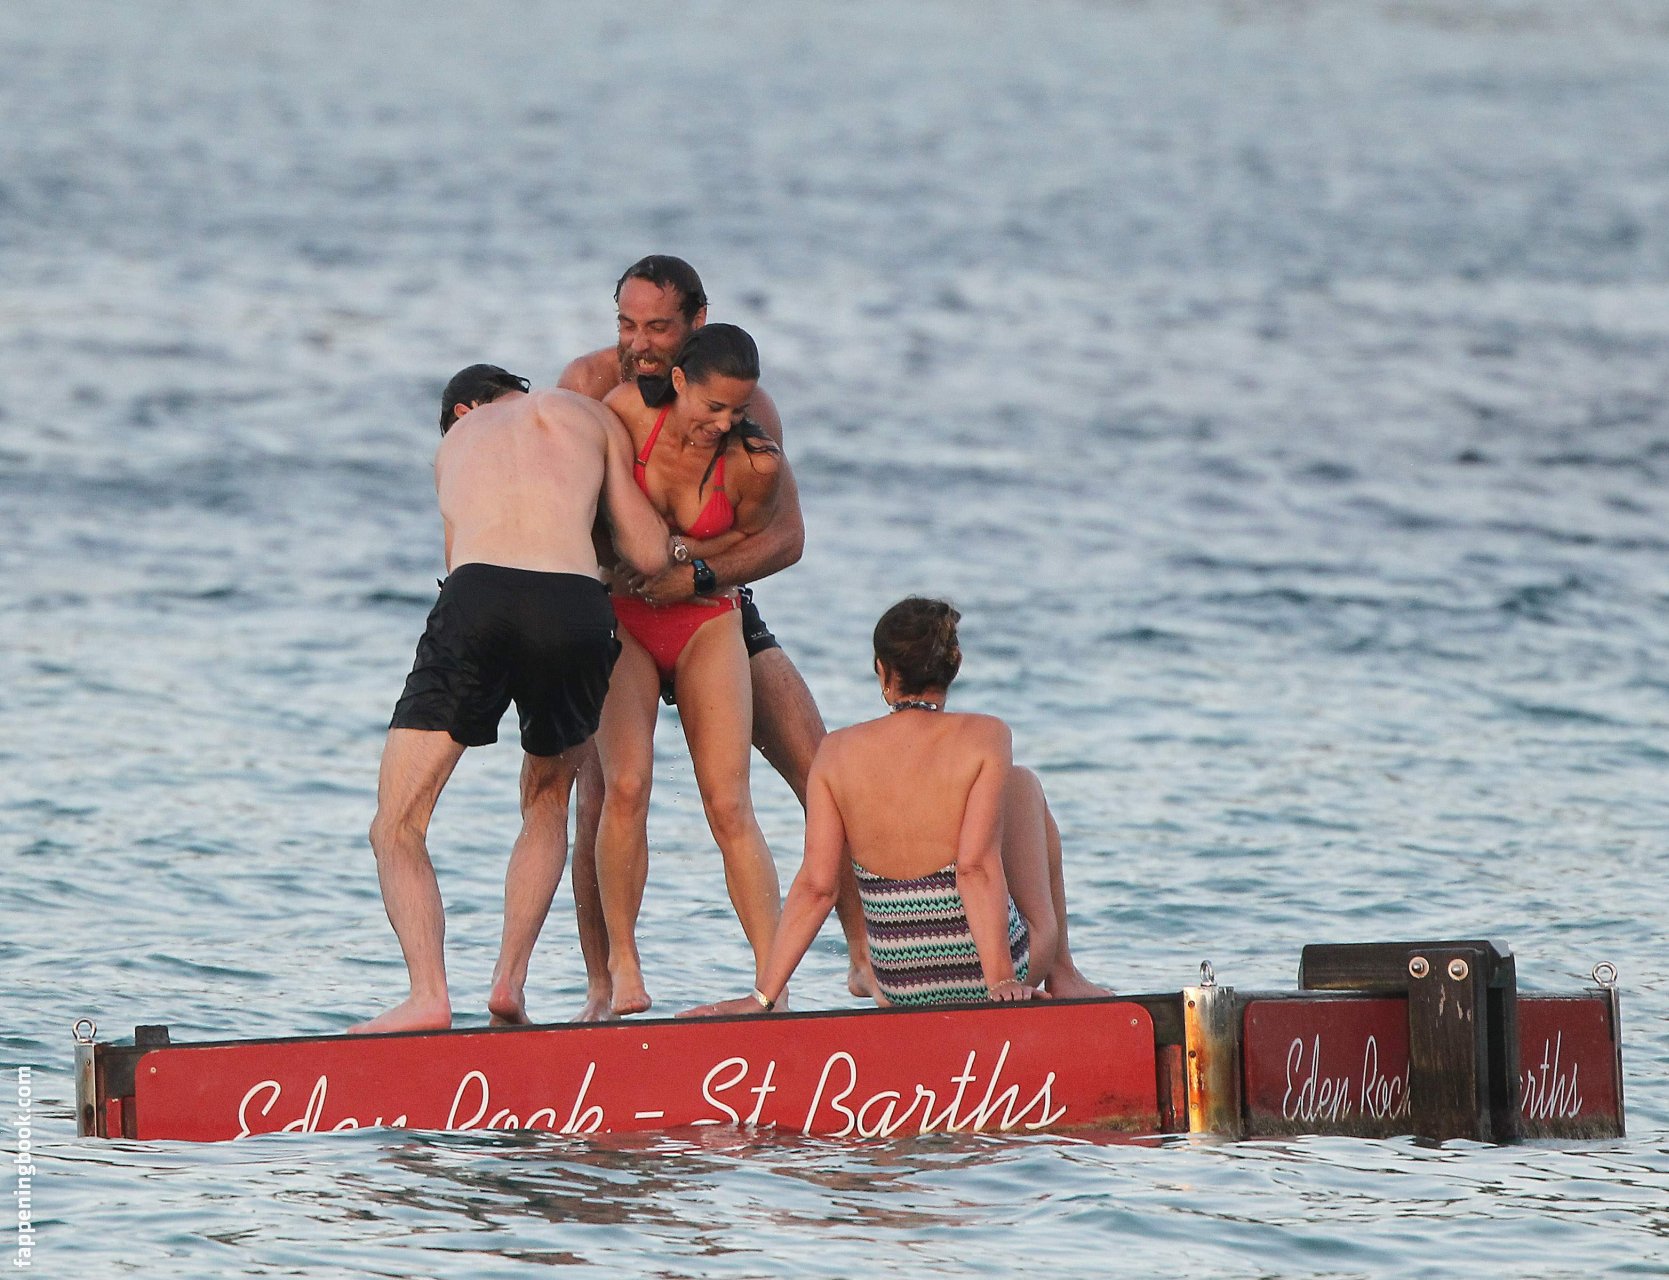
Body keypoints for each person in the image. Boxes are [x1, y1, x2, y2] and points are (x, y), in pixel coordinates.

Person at [557, 255, 872, 1017]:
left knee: (814, 768)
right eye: (627, 325)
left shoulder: (747, 408)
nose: (639, 343)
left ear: (696, 325)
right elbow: (558, 511)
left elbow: (782, 537)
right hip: (615, 609)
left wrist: (693, 572)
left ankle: (864, 960)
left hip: (711, 602)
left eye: (657, 327)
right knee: (605, 792)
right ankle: (605, 986)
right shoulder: (592, 388)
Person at [348, 365, 671, 1035]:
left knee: (397, 824)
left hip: (479, 596)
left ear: (463, 410)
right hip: (577, 606)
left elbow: (457, 568)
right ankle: (509, 983)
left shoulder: (459, 440)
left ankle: (428, 995)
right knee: (547, 802)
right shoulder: (588, 415)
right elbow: (646, 552)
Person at [686, 597, 1108, 1017]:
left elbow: (817, 887)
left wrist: (762, 997)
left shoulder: (834, 752)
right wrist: (1000, 982)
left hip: (899, 982)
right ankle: (1063, 972)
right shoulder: (987, 736)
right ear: (954, 665)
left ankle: (1048, 974)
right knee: (1022, 784)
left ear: (883, 672)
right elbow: (974, 868)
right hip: (987, 974)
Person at [590, 323, 789, 1017]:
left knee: (729, 804)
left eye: (738, 409)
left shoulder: (754, 462)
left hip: (707, 620)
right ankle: (623, 967)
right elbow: (583, 505)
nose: (724, 423)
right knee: (625, 786)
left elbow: (756, 537)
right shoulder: (623, 413)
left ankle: (772, 986)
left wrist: (685, 561)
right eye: (713, 407)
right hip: (624, 618)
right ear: (679, 381)